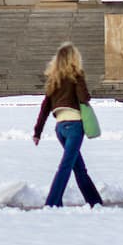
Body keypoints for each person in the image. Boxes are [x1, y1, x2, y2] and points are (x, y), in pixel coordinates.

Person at [32, 42, 103, 208]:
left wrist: (37, 132)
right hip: (74, 126)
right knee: (65, 167)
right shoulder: (76, 76)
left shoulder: (53, 81)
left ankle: (95, 202)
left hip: (60, 128)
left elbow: (44, 108)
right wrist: (82, 84)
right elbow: (84, 98)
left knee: (79, 167)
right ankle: (52, 204)